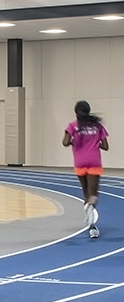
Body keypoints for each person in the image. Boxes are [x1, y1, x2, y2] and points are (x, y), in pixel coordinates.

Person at [64, 100, 109, 238]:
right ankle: (92, 226)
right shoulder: (98, 126)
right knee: (93, 195)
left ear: (76, 112)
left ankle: (89, 218)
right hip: (94, 162)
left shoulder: (73, 126)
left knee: (86, 194)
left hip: (80, 162)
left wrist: (73, 141)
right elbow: (106, 146)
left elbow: (65, 142)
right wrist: (94, 142)